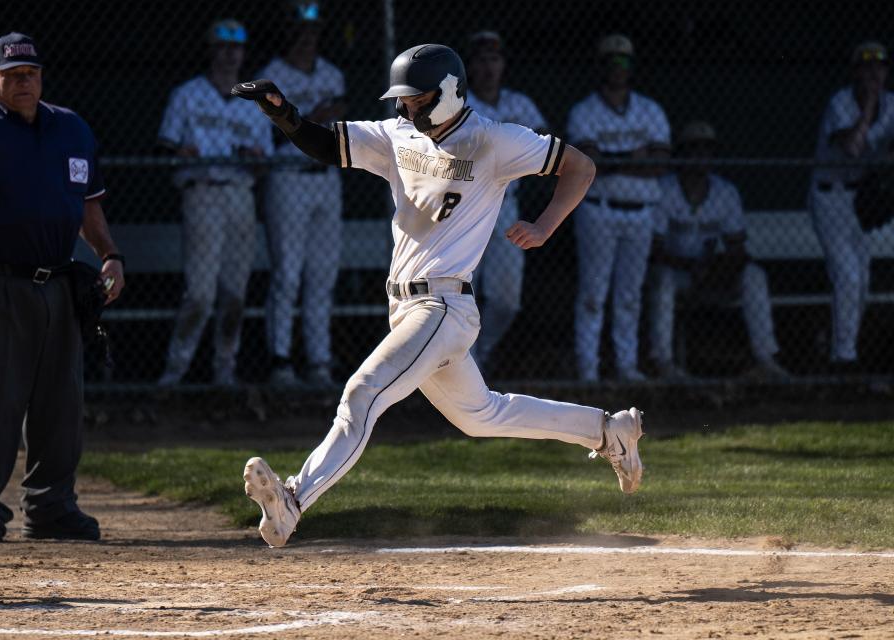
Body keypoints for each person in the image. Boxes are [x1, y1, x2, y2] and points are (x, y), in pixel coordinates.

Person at [231, 43, 645, 548]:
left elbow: (579, 167)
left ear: (449, 92)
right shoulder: (397, 134)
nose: (406, 107)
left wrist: (544, 225)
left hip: (443, 306)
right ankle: (609, 431)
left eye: (416, 98)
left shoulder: (492, 139)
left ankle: (292, 501)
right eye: (402, 99)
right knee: (482, 415)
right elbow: (325, 145)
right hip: (405, 307)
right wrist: (284, 113)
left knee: (363, 394)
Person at [0, 33, 125, 542]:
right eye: (13, 74)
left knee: (60, 398)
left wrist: (108, 255)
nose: (24, 82)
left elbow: (89, 206)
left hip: (55, 280)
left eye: (31, 73)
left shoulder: (71, 129)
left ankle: (51, 505)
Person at [156, 19, 274, 388]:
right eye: (221, 47)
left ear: (243, 53)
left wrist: (255, 156)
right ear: (210, 50)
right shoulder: (188, 94)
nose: (228, 55)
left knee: (235, 293)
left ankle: (226, 371)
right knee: (201, 294)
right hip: (202, 190)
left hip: (240, 193)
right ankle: (175, 373)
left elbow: (266, 160)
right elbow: (167, 144)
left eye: (235, 47)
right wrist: (182, 151)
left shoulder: (253, 100)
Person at [648, 121, 789, 381]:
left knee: (754, 276)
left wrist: (718, 268)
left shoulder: (725, 191)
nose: (701, 156)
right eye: (694, 149)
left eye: (707, 150)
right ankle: (664, 363)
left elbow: (738, 249)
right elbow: (654, 250)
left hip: (712, 270)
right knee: (664, 280)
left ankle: (765, 359)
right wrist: (693, 267)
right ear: (681, 153)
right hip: (678, 271)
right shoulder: (664, 189)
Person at [566, 34, 671, 382]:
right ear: (600, 65)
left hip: (641, 211)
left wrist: (612, 160)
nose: (617, 67)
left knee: (629, 295)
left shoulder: (649, 109)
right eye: (610, 60)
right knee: (594, 294)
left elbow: (659, 163)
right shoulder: (584, 110)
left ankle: (627, 367)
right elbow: (588, 164)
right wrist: (632, 158)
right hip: (598, 208)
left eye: (623, 60)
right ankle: (588, 372)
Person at [256, 1, 346, 389]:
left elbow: (341, 118)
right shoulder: (270, 75)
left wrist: (317, 115)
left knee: (322, 276)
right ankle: (280, 361)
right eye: (300, 30)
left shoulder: (332, 72)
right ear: (288, 32)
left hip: (325, 176)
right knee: (288, 274)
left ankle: (319, 361)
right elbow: (264, 133)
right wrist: (310, 114)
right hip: (287, 174)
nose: (308, 37)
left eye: (313, 30)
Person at [464, 31, 549, 375]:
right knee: (460, 293)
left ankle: (480, 353)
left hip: (505, 203)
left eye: (494, 60)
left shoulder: (519, 103)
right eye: (482, 60)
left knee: (506, 300)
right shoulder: (460, 101)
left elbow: (546, 146)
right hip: (465, 206)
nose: (488, 67)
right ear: (470, 65)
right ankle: (460, 366)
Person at [810, 41, 894, 372]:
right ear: (854, 72)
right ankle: (844, 360)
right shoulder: (841, 102)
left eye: (880, 66)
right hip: (829, 196)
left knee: (863, 278)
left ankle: (846, 350)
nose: (874, 73)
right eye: (866, 67)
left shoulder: (893, 104)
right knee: (847, 275)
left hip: (860, 198)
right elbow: (852, 147)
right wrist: (870, 104)